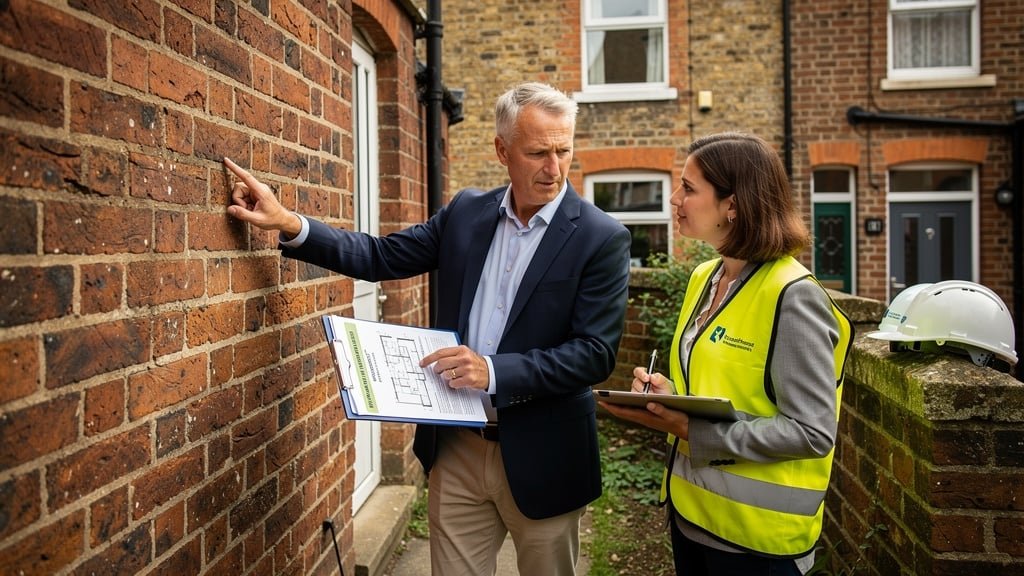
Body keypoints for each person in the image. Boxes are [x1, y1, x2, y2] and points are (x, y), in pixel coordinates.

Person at [224, 82, 632, 576]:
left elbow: (593, 353)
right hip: (456, 446)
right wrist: (290, 223)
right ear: (502, 150)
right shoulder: (466, 213)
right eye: (538, 152)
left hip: (547, 455)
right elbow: (380, 256)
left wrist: (492, 371)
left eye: (564, 150)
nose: (554, 168)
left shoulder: (601, 237)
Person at [599, 132, 853, 575]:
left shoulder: (793, 296)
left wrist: (691, 430)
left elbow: (812, 432)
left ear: (732, 205)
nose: (675, 199)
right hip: (691, 518)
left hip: (758, 545)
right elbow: (719, 388)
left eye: (689, 188)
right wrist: (669, 393)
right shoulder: (703, 277)